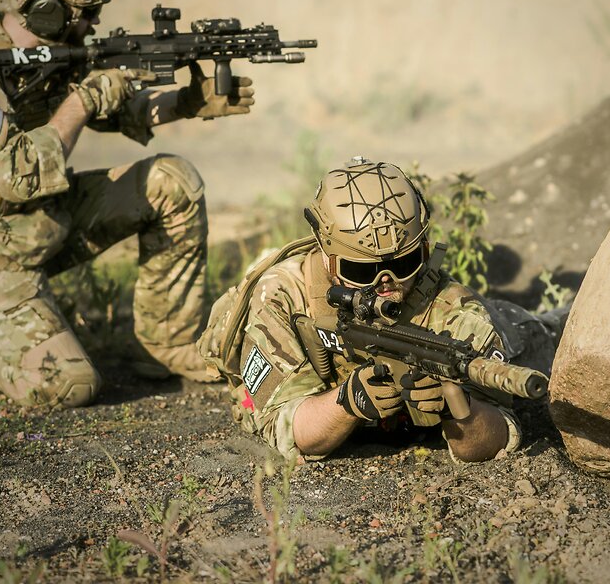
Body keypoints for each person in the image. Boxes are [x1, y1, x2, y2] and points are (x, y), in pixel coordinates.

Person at [0, 0, 254, 407]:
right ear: (48, 8)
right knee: (66, 384)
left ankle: (167, 344)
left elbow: (119, 112)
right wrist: (85, 99)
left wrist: (187, 102)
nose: (95, 22)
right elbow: (17, 174)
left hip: (34, 224)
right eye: (86, 12)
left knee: (174, 183)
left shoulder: (47, 58)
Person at [197, 158, 563, 462]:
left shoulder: (453, 308)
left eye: (405, 263)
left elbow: (496, 435)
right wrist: (348, 402)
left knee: (544, 333)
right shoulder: (283, 296)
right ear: (327, 255)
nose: (386, 283)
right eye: (361, 270)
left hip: (512, 329)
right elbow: (289, 431)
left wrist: (459, 407)